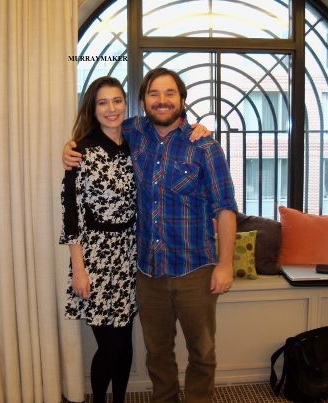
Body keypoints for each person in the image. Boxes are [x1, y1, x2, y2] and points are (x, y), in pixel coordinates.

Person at [62, 68, 237, 403]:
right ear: (143, 101)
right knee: (157, 353)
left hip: (194, 269)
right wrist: (70, 147)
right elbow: (101, 126)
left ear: (182, 99)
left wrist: (225, 264)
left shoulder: (204, 146)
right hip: (147, 272)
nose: (162, 100)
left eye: (170, 93)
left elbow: (225, 208)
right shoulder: (135, 132)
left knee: (202, 352)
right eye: (154, 94)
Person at [59, 76, 137, 403]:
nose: (111, 108)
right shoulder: (81, 150)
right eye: (102, 102)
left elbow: (171, 126)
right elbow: (71, 214)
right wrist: (79, 270)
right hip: (95, 259)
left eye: (117, 100)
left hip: (130, 254)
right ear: (93, 108)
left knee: (126, 341)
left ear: (126, 104)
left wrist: (198, 128)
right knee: (110, 345)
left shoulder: (137, 143)